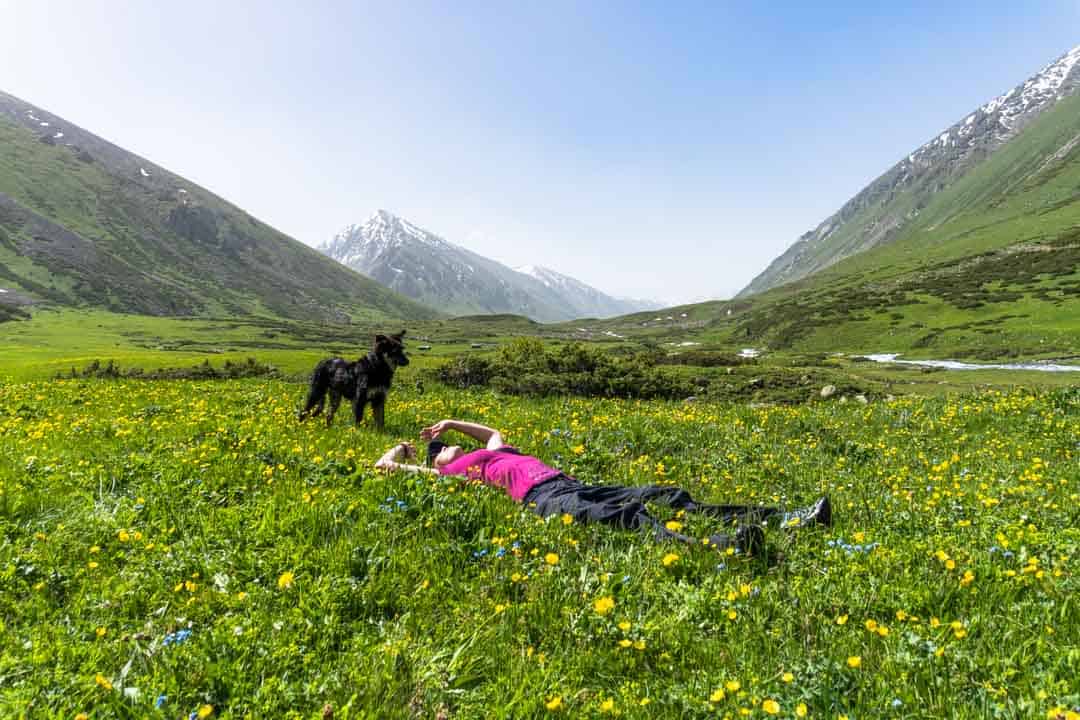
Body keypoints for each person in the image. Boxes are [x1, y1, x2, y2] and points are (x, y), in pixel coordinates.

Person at [374, 418, 831, 555]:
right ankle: (721, 547)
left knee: (667, 495)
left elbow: (490, 431)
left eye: (447, 446)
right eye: (440, 451)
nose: (446, 449)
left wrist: (450, 422)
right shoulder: (453, 474)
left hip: (571, 482)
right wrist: (403, 450)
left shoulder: (497, 452)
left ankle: (786, 519)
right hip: (543, 498)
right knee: (626, 517)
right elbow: (384, 467)